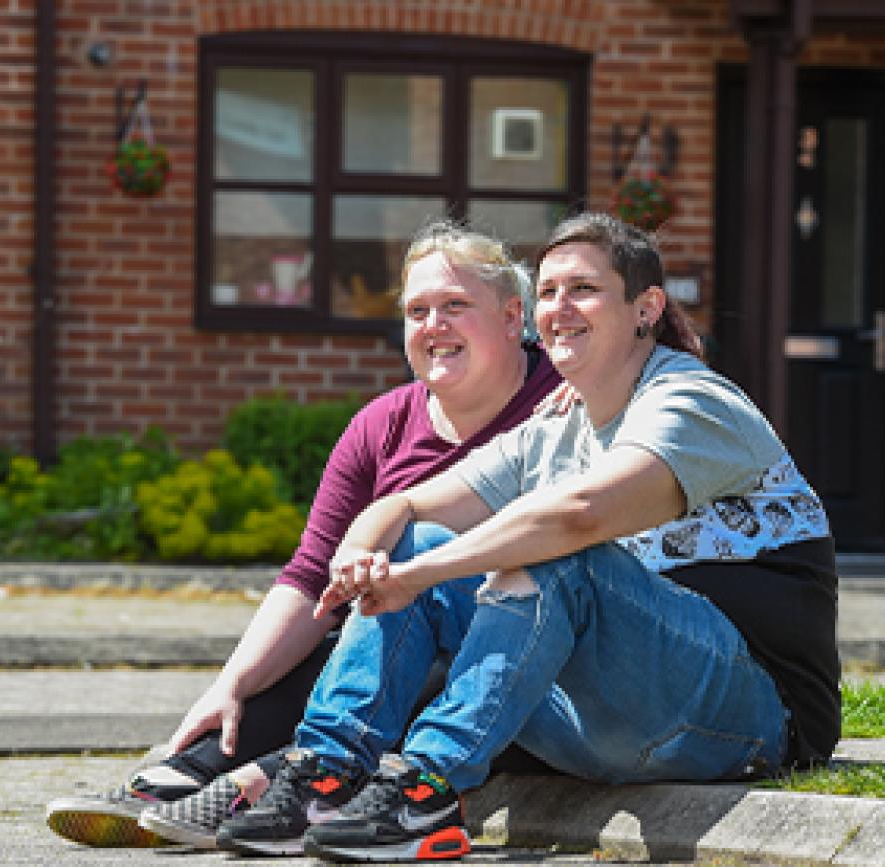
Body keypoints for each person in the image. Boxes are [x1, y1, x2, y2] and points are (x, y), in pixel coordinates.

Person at [214, 211, 841, 863]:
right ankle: (324, 771)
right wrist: (360, 558)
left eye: (583, 289)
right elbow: (403, 504)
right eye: (547, 292)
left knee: (549, 551)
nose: (559, 307)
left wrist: (416, 577)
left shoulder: (692, 401)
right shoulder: (551, 427)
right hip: (605, 721)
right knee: (420, 540)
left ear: (646, 307)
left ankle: (427, 786)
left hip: (748, 718)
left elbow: (581, 515)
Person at [45, 220, 562, 848]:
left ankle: (263, 783)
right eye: (418, 311)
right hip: (383, 641)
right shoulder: (382, 425)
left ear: (514, 318)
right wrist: (230, 684)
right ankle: (193, 770)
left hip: (509, 660)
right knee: (335, 644)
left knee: (411, 638)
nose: (434, 326)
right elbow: (313, 573)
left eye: (456, 306)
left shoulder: (560, 407)